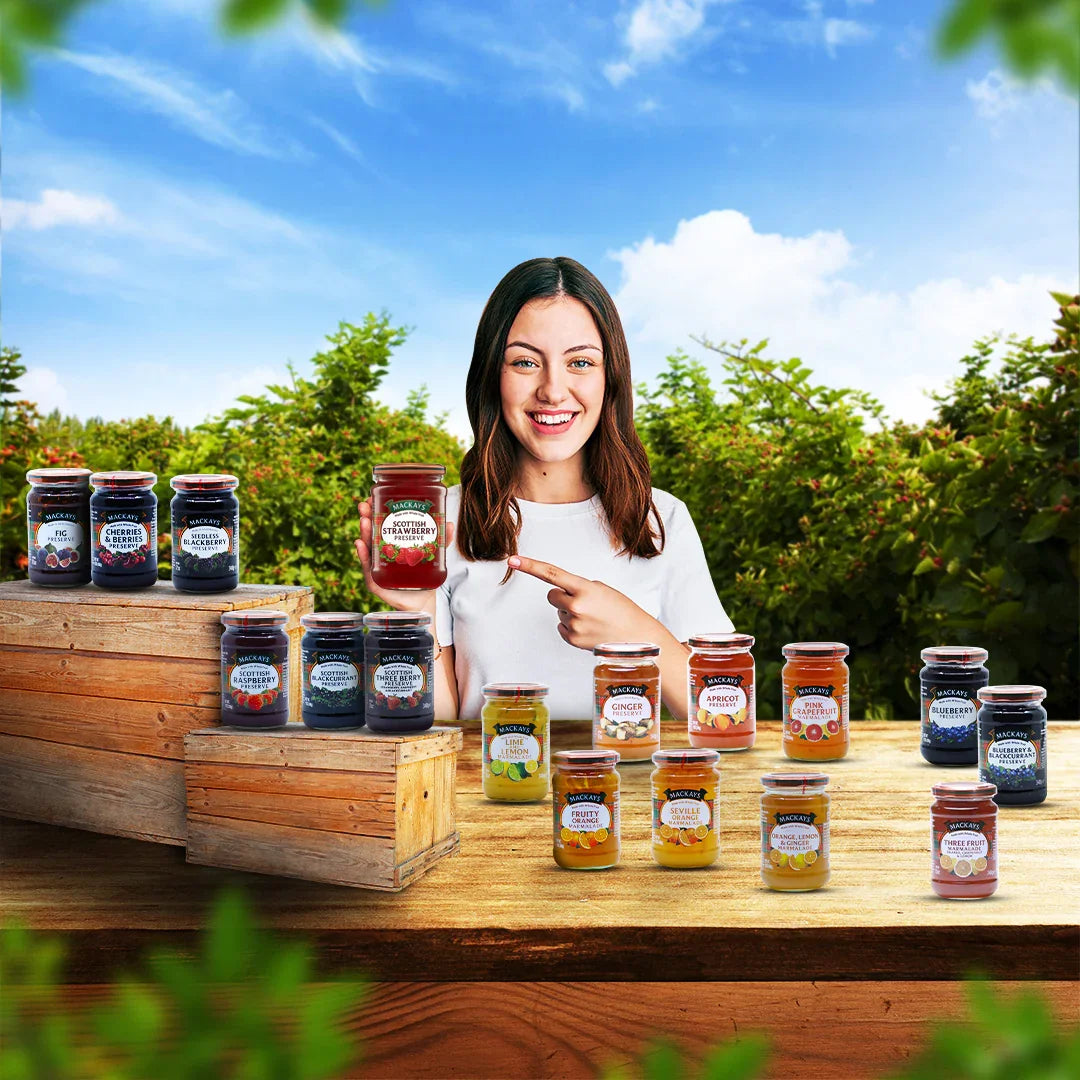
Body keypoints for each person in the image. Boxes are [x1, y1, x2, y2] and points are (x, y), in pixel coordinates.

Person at [355, 256, 732, 720]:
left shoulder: (662, 519)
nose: (553, 390)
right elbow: (446, 732)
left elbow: (724, 714)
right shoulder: (442, 523)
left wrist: (636, 631)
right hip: (488, 791)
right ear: (492, 375)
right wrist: (417, 613)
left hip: (627, 791)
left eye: (579, 362)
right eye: (526, 362)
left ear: (610, 376)